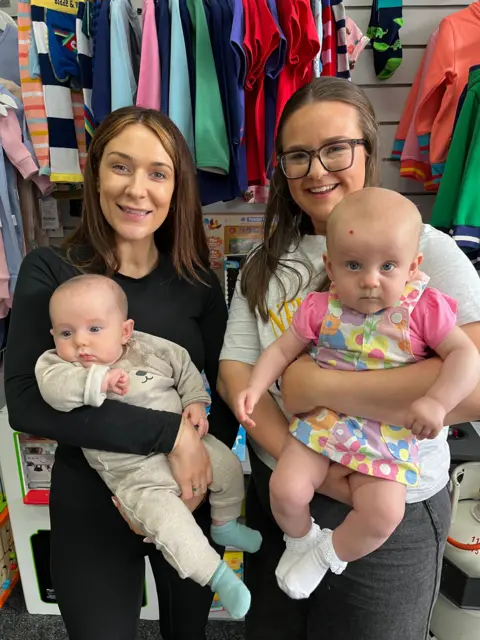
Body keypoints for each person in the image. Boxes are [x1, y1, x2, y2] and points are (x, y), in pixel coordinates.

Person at [217, 77, 480, 640]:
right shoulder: (268, 259)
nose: (317, 170)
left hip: (395, 504)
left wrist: (313, 386)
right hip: (289, 484)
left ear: (368, 149)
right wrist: (301, 455)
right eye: (297, 156)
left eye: (336, 148)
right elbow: (237, 368)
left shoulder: (427, 253)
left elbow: (474, 384)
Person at [4, 106, 240, 640]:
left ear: (176, 187)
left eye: (158, 172)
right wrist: (168, 434)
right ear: (95, 174)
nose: (138, 189)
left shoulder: (198, 280)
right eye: (120, 166)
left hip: (186, 489)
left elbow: (219, 390)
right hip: (91, 498)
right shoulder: (52, 270)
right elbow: (26, 403)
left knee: (188, 632)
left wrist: (193, 470)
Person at [235, 187, 479, 600]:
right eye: (353, 265)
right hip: (322, 423)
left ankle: (326, 555)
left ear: (413, 265)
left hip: (386, 436)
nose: (369, 281)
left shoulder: (423, 309)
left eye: (387, 266)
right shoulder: (318, 307)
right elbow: (281, 350)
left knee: (384, 513)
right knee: (286, 488)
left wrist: (437, 401)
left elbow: (466, 356)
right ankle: (300, 542)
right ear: (330, 266)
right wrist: (255, 386)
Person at [35, 274, 262, 619]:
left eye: (94, 329)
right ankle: (218, 576)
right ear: (54, 336)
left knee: (229, 467)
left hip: (191, 449)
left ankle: (225, 522)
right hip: (136, 475)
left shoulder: (148, 346)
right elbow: (53, 392)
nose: (81, 342)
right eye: (67, 333)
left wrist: (196, 401)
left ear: (125, 331)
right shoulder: (59, 365)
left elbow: (184, 365)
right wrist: (98, 379)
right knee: (173, 526)